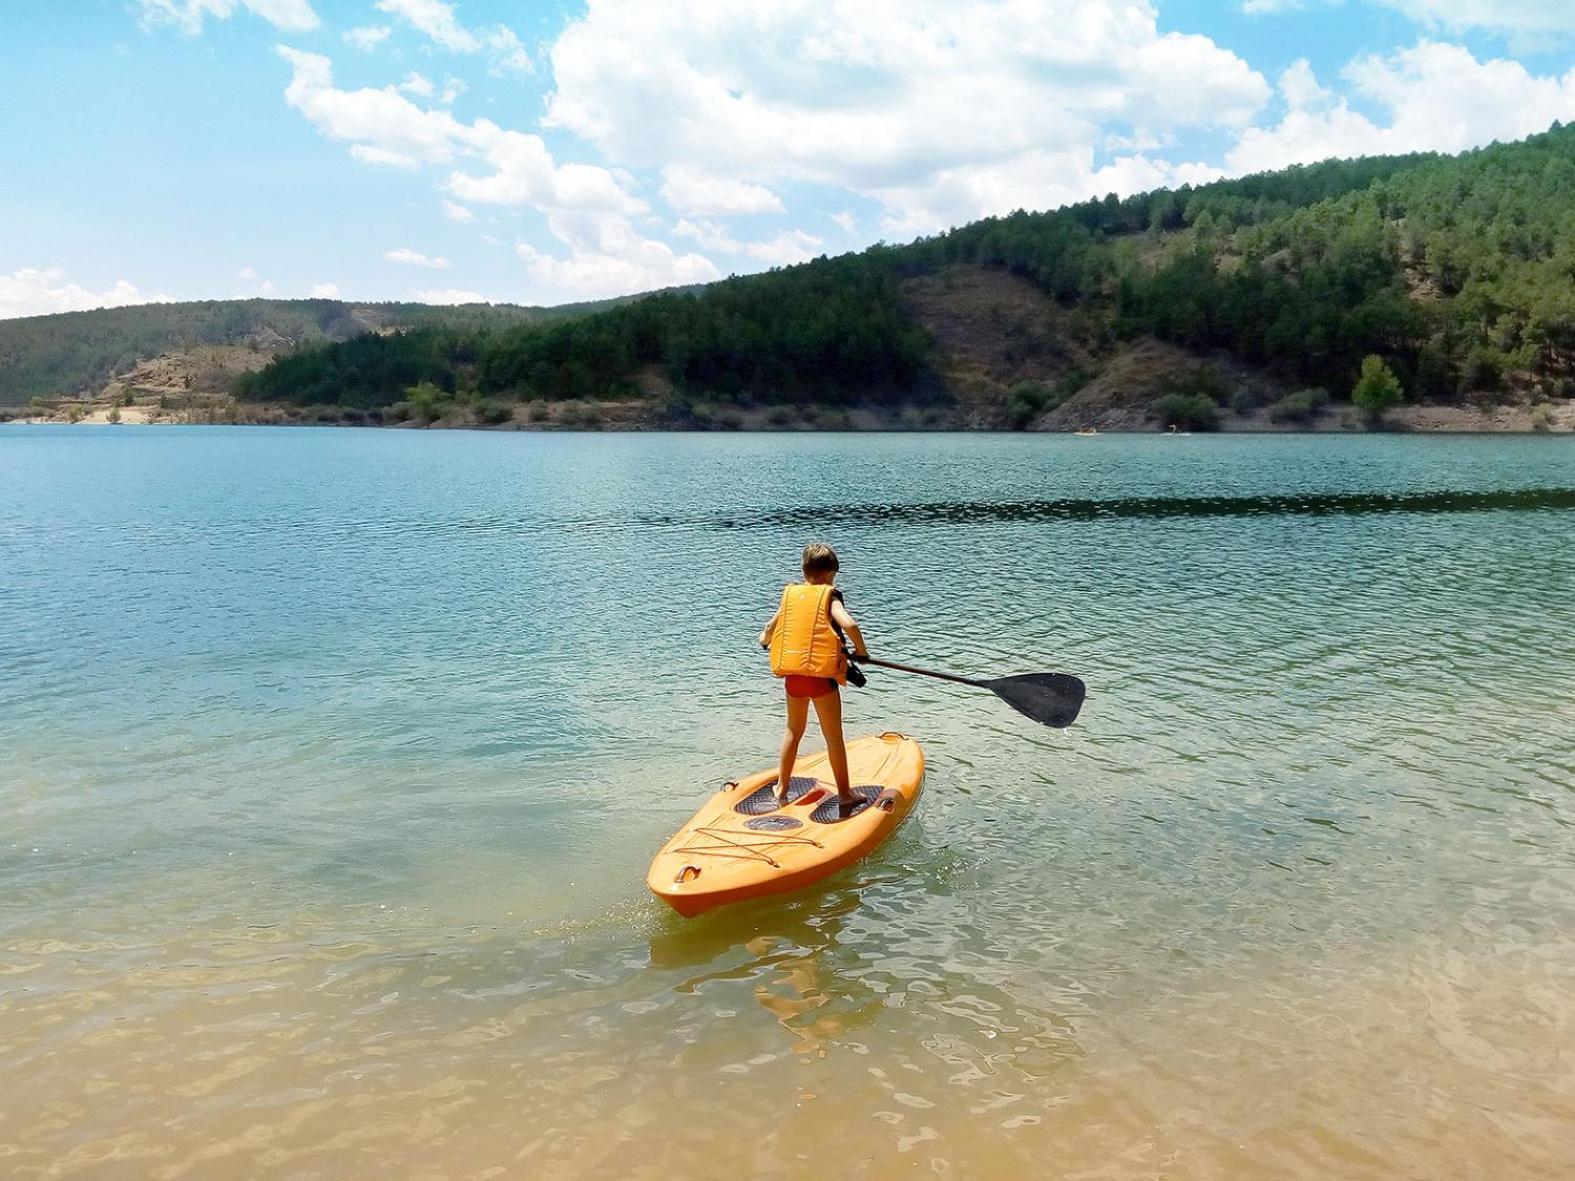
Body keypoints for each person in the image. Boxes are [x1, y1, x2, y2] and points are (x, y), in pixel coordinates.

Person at [757, 543, 869, 810]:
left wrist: (764, 640)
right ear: (831, 575)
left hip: (793, 677)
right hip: (820, 679)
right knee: (833, 736)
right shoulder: (830, 596)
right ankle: (844, 794)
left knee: (793, 731)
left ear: (804, 571)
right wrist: (861, 650)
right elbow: (849, 624)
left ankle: (782, 787)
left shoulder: (792, 596)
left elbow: (768, 630)